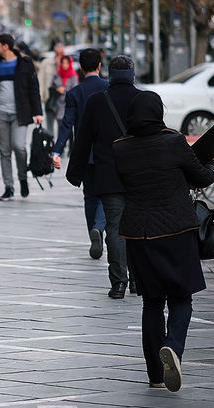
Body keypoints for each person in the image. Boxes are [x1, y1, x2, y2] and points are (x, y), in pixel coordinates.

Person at [112, 91, 214, 392]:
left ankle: (155, 375)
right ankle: (173, 348)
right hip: (177, 230)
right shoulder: (174, 141)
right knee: (182, 298)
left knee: (152, 303)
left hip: (139, 233)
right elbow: (202, 177)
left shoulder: (120, 148)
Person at [67, 55, 142, 299]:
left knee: (115, 228)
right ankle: (138, 282)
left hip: (108, 175)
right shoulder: (143, 99)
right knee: (140, 228)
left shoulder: (96, 101)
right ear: (132, 74)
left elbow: (83, 140)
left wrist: (75, 173)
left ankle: (119, 282)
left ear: (110, 72)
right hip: (140, 175)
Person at [52, 48, 108, 260]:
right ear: (99, 66)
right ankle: (99, 228)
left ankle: (94, 236)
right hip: (107, 152)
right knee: (106, 194)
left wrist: (57, 150)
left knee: (89, 196)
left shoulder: (74, 93)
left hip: (85, 154)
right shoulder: (108, 88)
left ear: (81, 68)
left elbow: (67, 124)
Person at [0, 33, 43, 201]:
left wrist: (38, 112)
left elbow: (33, 88)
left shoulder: (25, 63)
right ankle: (9, 187)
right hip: (0, 114)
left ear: (6, 46)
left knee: (19, 147)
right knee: (4, 152)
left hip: (21, 113)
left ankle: (22, 178)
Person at [47, 55, 78, 151]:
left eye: (66, 63)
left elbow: (75, 89)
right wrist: (57, 89)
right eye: (63, 63)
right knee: (56, 127)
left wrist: (64, 90)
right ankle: (58, 146)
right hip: (56, 105)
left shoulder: (73, 76)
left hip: (67, 105)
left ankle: (66, 147)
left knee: (66, 127)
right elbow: (51, 87)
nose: (64, 65)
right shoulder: (57, 74)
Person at [39, 42, 64, 134]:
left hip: (62, 100)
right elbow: (41, 80)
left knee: (61, 124)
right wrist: (41, 95)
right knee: (49, 124)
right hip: (49, 98)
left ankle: (60, 146)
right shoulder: (46, 63)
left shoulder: (66, 64)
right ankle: (51, 143)